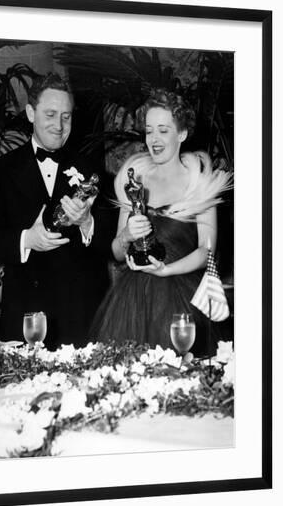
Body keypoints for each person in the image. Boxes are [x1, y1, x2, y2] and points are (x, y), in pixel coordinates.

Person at [0, 73, 117, 350]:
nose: (60, 125)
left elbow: (114, 244)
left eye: (66, 116)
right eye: (50, 114)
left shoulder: (93, 170)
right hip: (26, 317)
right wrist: (27, 239)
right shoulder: (1, 170)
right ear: (30, 113)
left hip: (83, 318)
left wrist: (88, 223)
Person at [89, 89, 232, 356]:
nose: (154, 139)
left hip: (183, 299)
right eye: (149, 130)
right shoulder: (134, 178)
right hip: (131, 302)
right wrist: (126, 236)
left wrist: (168, 270)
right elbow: (117, 252)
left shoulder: (199, 180)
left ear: (182, 134)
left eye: (163, 130)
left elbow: (206, 251)